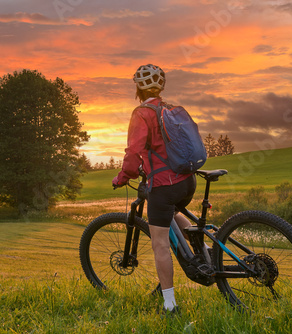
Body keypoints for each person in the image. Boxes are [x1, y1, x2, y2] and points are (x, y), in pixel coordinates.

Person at [112, 64, 197, 314]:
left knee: (159, 242)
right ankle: (202, 254)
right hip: (187, 181)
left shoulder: (142, 113)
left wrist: (122, 177)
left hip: (163, 185)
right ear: (162, 87)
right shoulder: (170, 109)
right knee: (173, 214)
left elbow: (133, 152)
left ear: (138, 88)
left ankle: (170, 305)